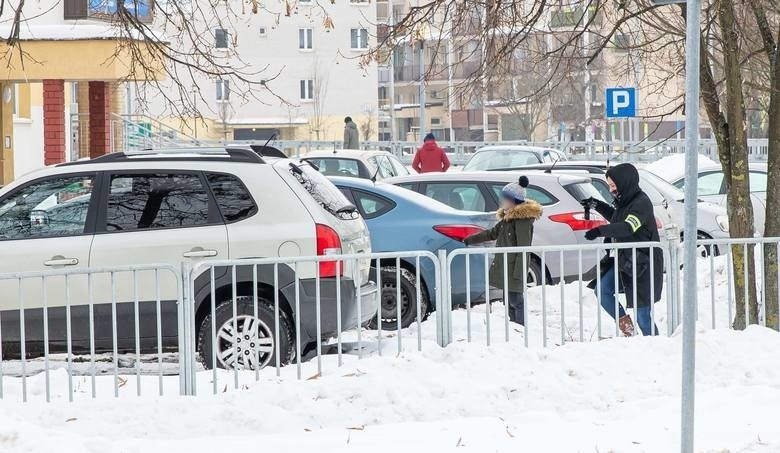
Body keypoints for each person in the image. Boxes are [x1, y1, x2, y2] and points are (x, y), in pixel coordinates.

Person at [582, 163, 664, 336]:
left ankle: (656, 346)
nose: (611, 190)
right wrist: (596, 204)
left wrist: (599, 231)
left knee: (643, 315)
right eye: (609, 186)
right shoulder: (625, 200)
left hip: (643, 264)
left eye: (613, 185)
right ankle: (627, 329)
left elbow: (628, 227)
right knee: (603, 290)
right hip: (625, 260)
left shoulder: (642, 202)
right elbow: (616, 217)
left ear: (625, 182)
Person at [464, 176, 541, 325]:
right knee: (508, 300)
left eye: (504, 198)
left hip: (514, 269)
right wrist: (469, 239)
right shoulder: (507, 218)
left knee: (516, 300)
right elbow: (492, 233)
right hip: (506, 266)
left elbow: (523, 248)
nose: (502, 201)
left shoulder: (522, 221)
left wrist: (519, 273)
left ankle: (520, 328)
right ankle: (513, 328)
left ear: (513, 200)